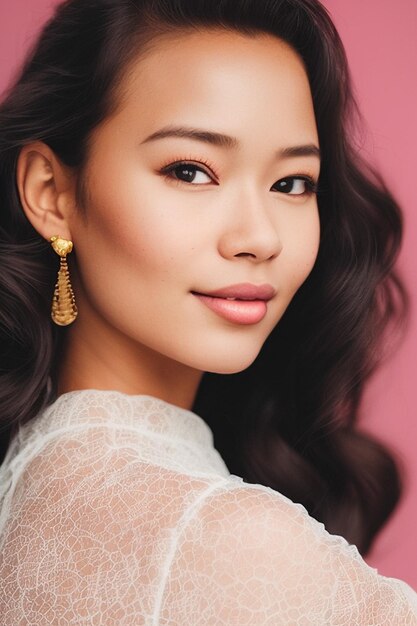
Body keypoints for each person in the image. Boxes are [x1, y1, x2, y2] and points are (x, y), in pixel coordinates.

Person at [0, 0, 416, 623]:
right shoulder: (229, 538)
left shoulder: (31, 482)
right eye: (191, 171)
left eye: (292, 183)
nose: (260, 237)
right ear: (50, 193)